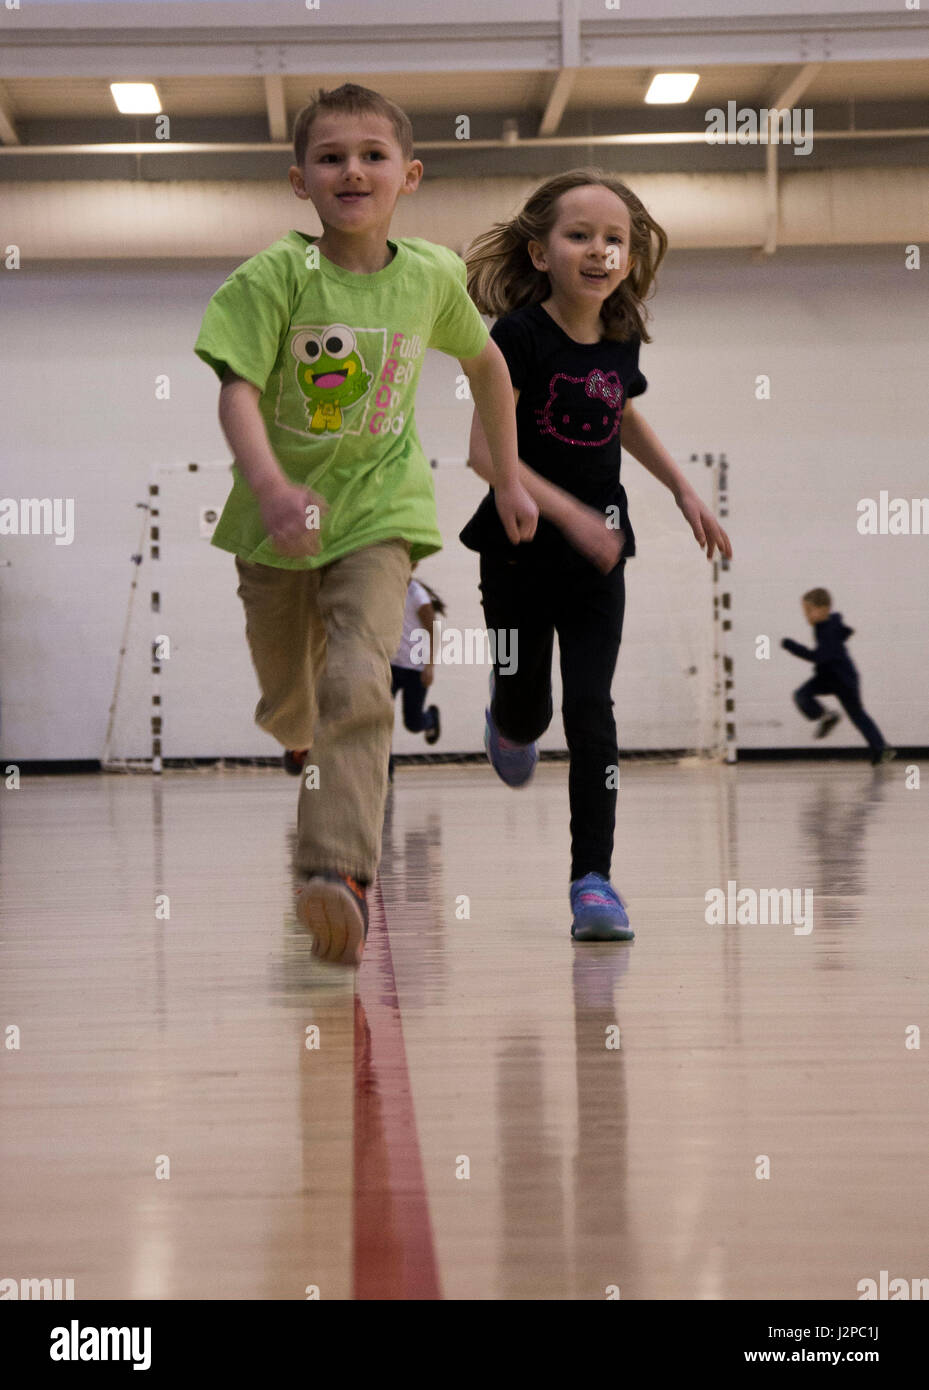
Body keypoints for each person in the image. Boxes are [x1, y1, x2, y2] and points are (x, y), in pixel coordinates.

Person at [194, 83, 537, 966]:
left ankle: (336, 870)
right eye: (331, 157)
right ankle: (297, 735)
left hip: (381, 510)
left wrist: (505, 477)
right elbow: (235, 390)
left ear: (408, 175)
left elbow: (489, 368)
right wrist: (270, 486)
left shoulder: (430, 276)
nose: (353, 169)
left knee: (358, 673)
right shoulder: (274, 276)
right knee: (287, 698)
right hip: (275, 520)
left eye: (373, 155)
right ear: (299, 181)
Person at [460, 168, 732, 942]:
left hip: (597, 562)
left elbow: (621, 413)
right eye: (579, 235)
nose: (599, 251)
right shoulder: (514, 336)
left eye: (613, 239)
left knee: (591, 713)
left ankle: (592, 882)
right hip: (515, 553)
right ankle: (508, 723)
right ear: (540, 252)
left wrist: (680, 488)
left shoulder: (618, 336)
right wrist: (568, 513)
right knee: (529, 707)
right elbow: (484, 451)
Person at [782, 588, 894, 766]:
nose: (807, 616)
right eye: (805, 612)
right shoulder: (823, 626)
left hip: (843, 680)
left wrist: (792, 647)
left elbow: (817, 657)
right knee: (802, 695)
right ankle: (878, 747)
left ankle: (881, 749)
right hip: (829, 675)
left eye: (810, 611)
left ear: (825, 608)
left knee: (856, 714)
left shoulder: (829, 632)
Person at [388, 567, 443, 781]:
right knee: (383, 720)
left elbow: (433, 630)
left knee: (412, 723)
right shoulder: (386, 589)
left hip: (415, 669)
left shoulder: (417, 594)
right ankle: (386, 771)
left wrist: (430, 666)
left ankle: (430, 719)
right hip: (391, 667)